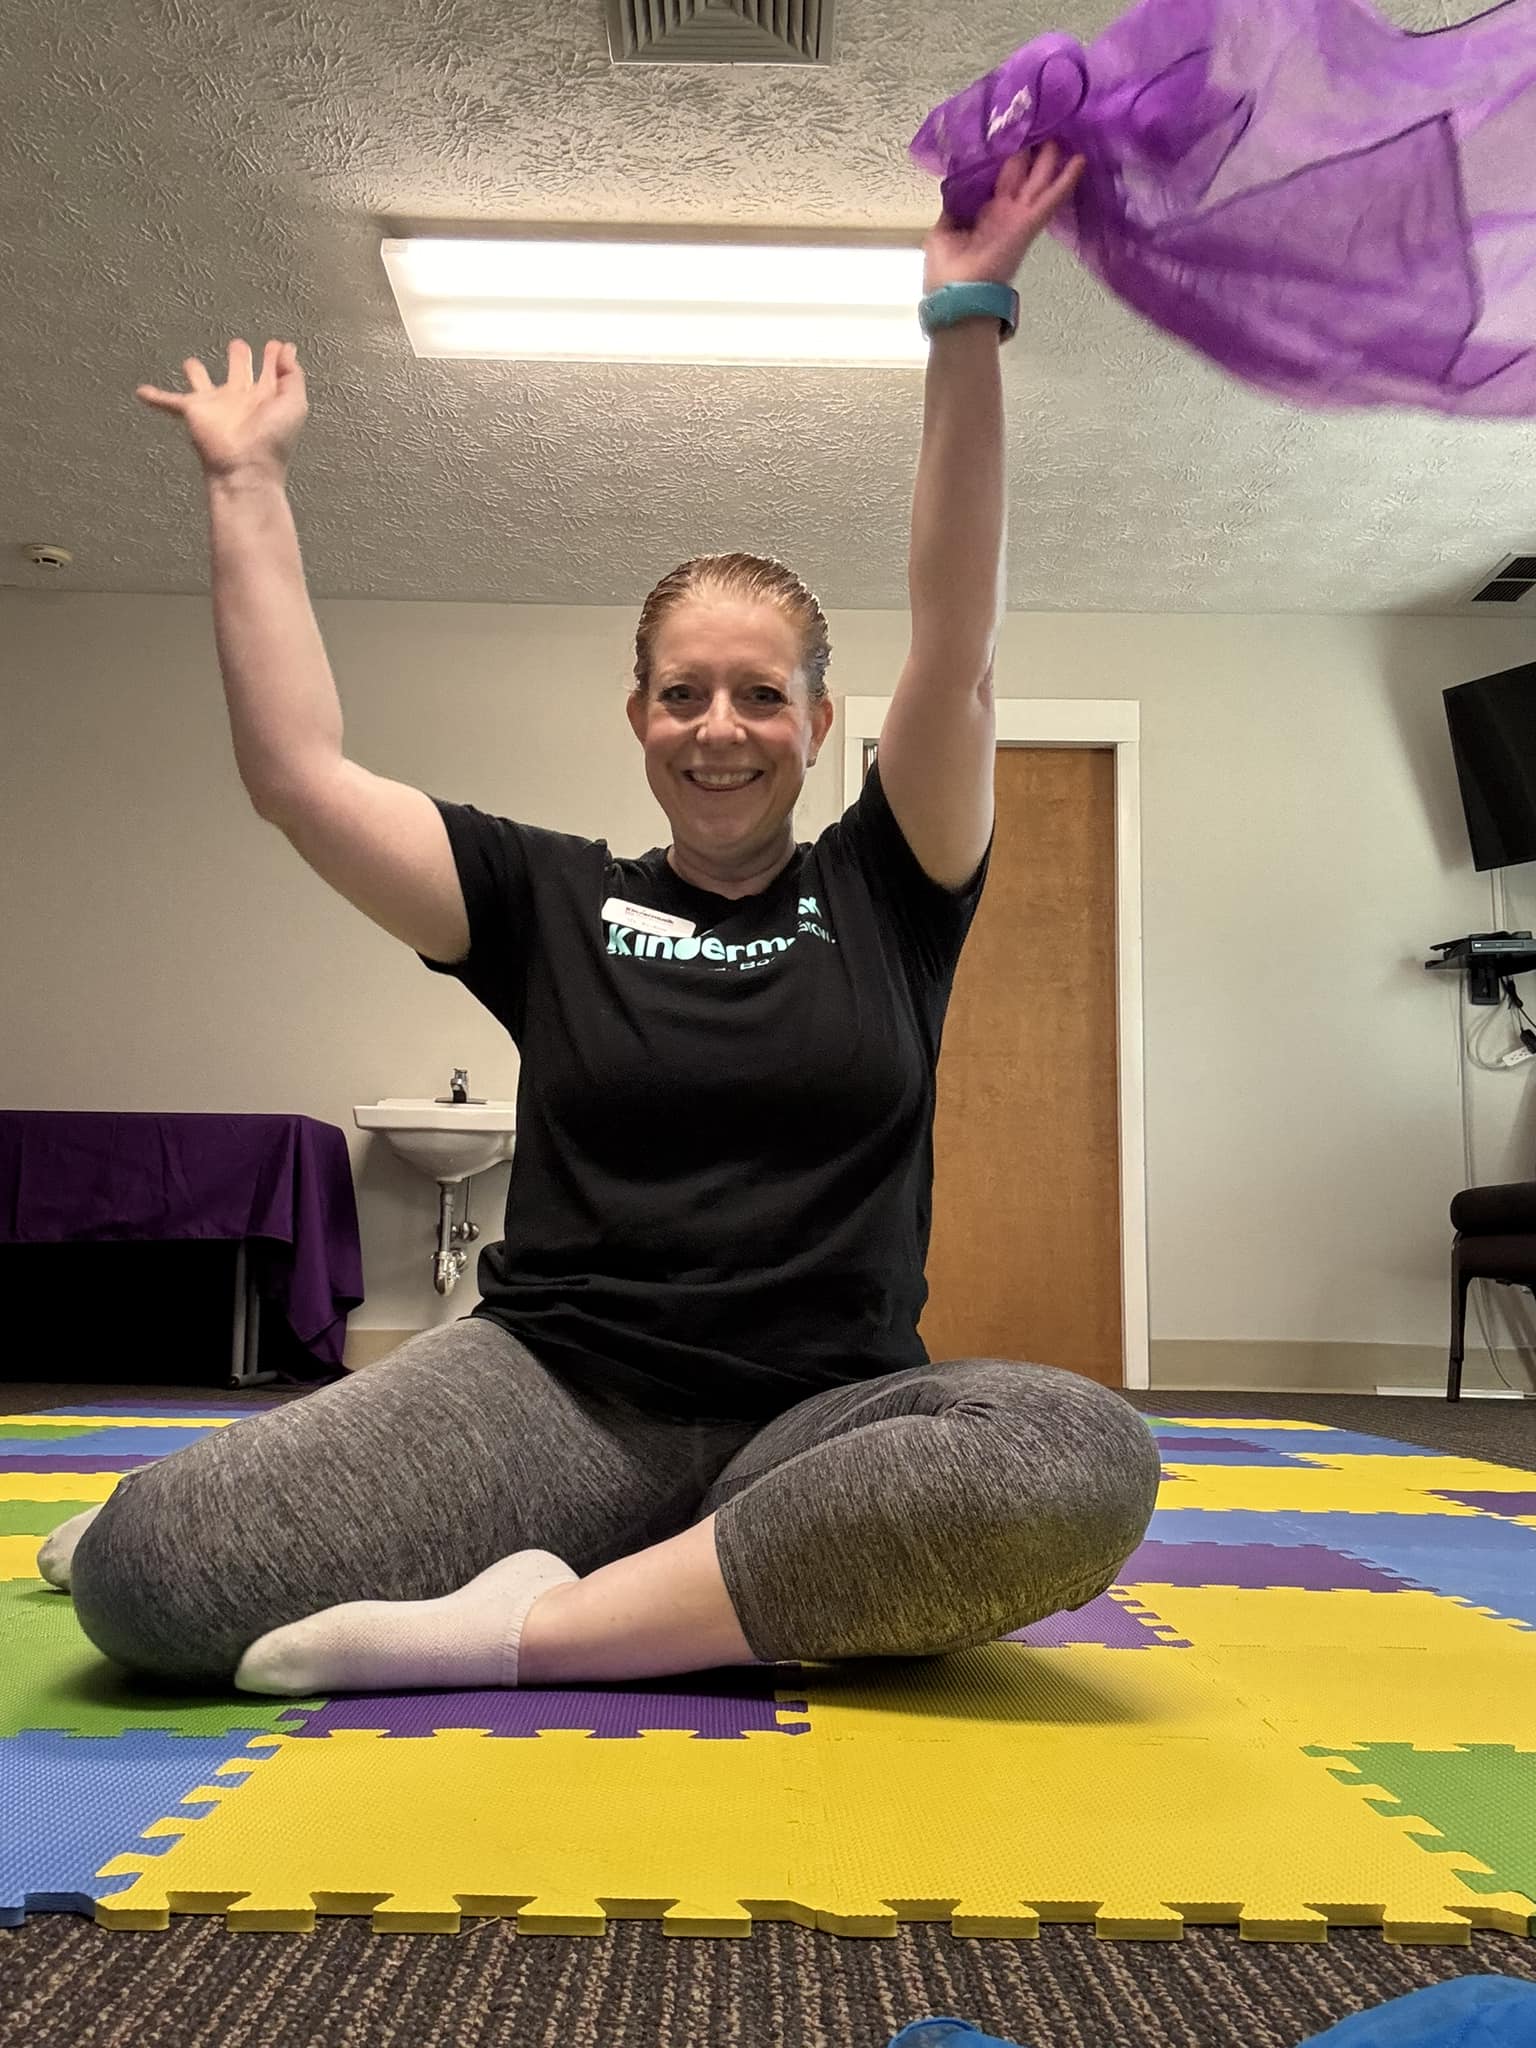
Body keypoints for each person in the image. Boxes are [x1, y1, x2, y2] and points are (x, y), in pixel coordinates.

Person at [49, 142, 1159, 1695]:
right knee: (148, 1582)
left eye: (762, 695)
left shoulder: (890, 890)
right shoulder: (547, 899)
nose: (722, 727)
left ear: (821, 723)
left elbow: (958, 647)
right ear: (636, 714)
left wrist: (965, 315)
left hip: (813, 1425)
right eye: (684, 693)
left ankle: (521, 1630)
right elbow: (301, 778)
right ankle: (656, 1597)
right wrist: (246, 482)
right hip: (555, 1393)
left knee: (1081, 1454)